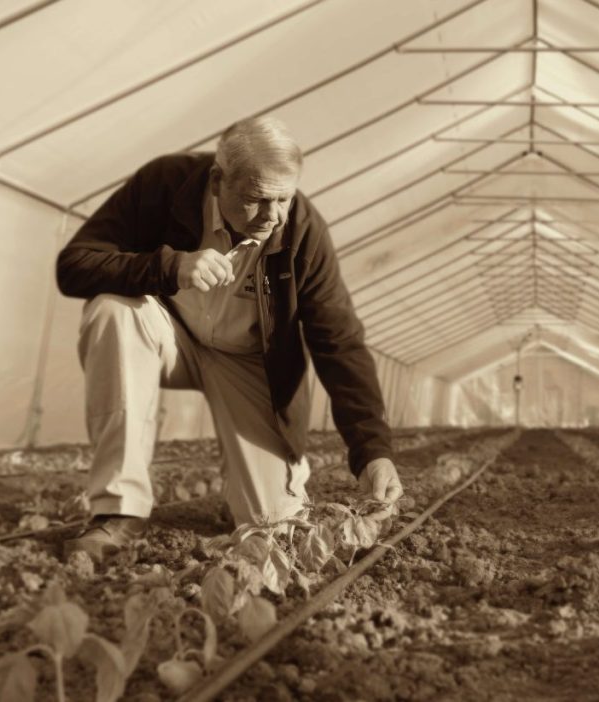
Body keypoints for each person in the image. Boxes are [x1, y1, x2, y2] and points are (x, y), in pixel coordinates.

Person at [56, 116, 403, 561]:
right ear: (218, 181)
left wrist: (372, 451)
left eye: (284, 198)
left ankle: (251, 494)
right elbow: (76, 264)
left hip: (246, 360)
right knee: (111, 311)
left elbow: (339, 341)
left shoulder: (301, 231)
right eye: (257, 199)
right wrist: (168, 267)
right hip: (170, 335)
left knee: (273, 529)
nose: (272, 216)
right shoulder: (164, 185)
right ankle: (116, 511)